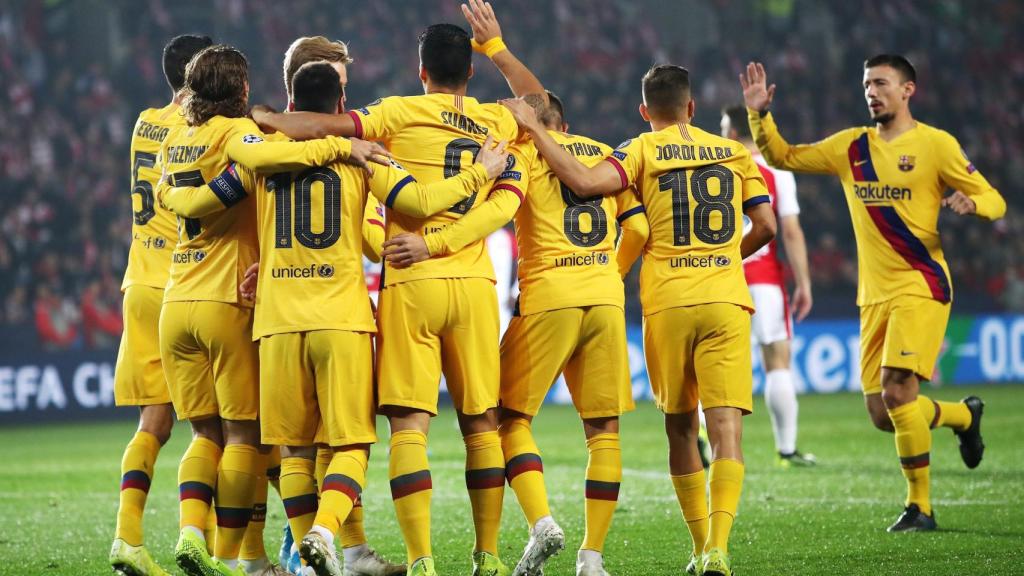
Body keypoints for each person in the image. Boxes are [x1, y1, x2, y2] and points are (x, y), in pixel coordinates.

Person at [165, 60, 511, 576]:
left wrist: (168, 192)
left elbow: (204, 200)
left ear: (290, 107)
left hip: (277, 320)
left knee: (297, 452)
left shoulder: (263, 158)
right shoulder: (365, 155)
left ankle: (308, 556)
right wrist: (478, 174)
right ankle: (327, 533)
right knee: (349, 444)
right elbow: (418, 200)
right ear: (341, 108)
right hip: (341, 318)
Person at [252, 4, 546, 574]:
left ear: (420, 70)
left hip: (406, 282)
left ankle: (419, 560)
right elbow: (540, 107)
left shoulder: (392, 115)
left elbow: (321, 131)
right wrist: (498, 47)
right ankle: (486, 557)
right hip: (473, 281)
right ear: (470, 72)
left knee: (403, 427)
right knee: (481, 423)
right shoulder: (496, 120)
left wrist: (262, 114)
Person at [501, 64, 776, 576]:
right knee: (724, 430)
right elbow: (765, 225)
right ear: (692, 108)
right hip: (723, 297)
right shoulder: (735, 153)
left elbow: (584, 183)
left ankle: (696, 546)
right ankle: (712, 548)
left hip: (664, 300)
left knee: (679, 429)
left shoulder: (637, 150)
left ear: (644, 111)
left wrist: (532, 128)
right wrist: (723, 260)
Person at [382, 91, 648, 576]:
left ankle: (540, 521)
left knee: (506, 418)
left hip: (547, 296)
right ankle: (592, 559)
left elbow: (500, 208)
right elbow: (639, 228)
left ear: (529, 122)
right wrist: (613, 271)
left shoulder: (522, 153)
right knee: (604, 431)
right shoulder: (607, 156)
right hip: (606, 298)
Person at [741, 55, 1005, 531]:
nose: (872, 91)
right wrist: (760, 115)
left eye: (881, 83)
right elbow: (784, 156)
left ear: (908, 90)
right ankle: (963, 418)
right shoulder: (851, 148)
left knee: (898, 388)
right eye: (867, 84)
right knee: (884, 412)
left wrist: (973, 203)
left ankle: (920, 507)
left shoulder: (935, 145)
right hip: (873, 296)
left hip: (921, 284)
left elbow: (994, 197)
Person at [153, 44, 384, 576]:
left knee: (224, 439)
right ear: (241, 90)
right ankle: (255, 557)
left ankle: (205, 537)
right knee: (252, 440)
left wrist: (174, 199)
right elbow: (262, 159)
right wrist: (341, 148)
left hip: (191, 300)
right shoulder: (241, 139)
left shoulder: (177, 140)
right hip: (243, 301)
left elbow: (192, 199)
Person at [109, 33, 212, 576]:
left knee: (154, 423)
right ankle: (205, 543)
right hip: (183, 283)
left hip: (138, 283)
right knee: (213, 428)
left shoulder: (144, 121)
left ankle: (127, 538)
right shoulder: (199, 130)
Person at [721, 105, 815, 468]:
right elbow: (789, 230)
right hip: (766, 280)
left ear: (731, 131)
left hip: (721, 278)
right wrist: (804, 282)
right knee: (777, 361)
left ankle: (711, 445)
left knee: (713, 366)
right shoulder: (777, 170)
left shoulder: (717, 166)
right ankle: (787, 449)